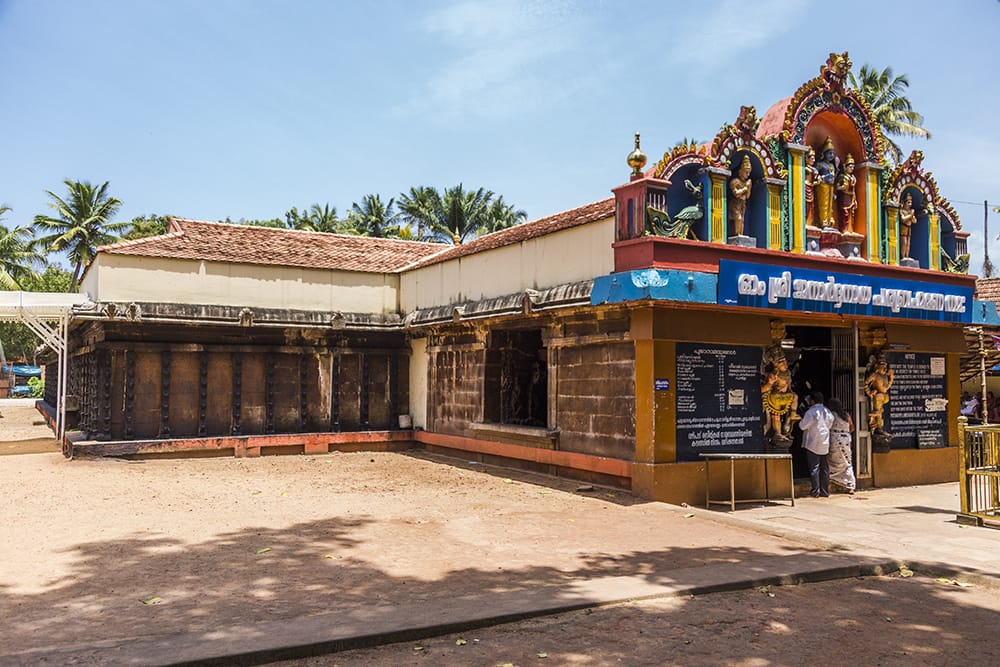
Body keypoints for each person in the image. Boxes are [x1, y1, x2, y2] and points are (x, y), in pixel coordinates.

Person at [799, 391, 834, 498]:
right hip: (824, 443)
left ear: (812, 401)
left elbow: (803, 426)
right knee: (824, 468)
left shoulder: (811, 412)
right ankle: (825, 491)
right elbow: (830, 424)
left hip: (813, 443)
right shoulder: (828, 412)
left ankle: (815, 491)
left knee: (814, 468)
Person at [826, 397, 856, 494]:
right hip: (846, 439)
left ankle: (832, 478)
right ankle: (850, 484)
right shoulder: (846, 415)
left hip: (835, 438)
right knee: (847, 461)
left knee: (833, 459)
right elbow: (852, 428)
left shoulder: (831, 415)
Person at [864, 354, 894, 434]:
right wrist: (869, 392)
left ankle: (879, 427)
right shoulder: (874, 375)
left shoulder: (885, 376)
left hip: (884, 395)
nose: (884, 368)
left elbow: (887, 386)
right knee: (877, 412)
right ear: (877, 366)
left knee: (880, 413)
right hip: (877, 395)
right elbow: (865, 383)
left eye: (885, 366)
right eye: (882, 365)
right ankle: (876, 427)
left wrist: (891, 378)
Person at [814, 136, 839, 229]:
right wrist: (822, 177)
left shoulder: (832, 165)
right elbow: (814, 175)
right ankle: (823, 223)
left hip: (831, 186)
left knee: (830, 206)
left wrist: (837, 166)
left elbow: (834, 177)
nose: (831, 155)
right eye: (829, 153)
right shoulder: (819, 164)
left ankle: (829, 222)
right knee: (823, 205)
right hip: (822, 186)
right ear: (824, 154)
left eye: (832, 153)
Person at [728, 154, 752, 237]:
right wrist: (745, 188)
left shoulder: (746, 183)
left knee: (742, 220)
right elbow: (736, 194)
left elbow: (748, 196)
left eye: (749, 172)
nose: (748, 174)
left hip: (742, 203)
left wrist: (749, 188)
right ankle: (736, 234)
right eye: (746, 172)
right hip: (735, 203)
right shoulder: (735, 181)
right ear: (740, 171)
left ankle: (740, 234)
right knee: (738, 219)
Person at [835, 153, 858, 232]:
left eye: (853, 167)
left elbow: (854, 190)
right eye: (850, 167)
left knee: (852, 214)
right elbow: (837, 187)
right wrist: (843, 187)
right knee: (845, 214)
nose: (852, 169)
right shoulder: (842, 176)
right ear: (845, 167)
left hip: (851, 197)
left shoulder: (853, 178)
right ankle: (844, 229)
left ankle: (850, 229)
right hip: (844, 198)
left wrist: (855, 200)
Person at [899, 192, 916, 259]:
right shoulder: (902, 211)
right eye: (908, 202)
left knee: (908, 243)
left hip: (909, 228)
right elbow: (903, 219)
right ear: (904, 203)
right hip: (903, 227)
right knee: (904, 243)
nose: (910, 204)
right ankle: (903, 257)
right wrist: (910, 215)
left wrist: (912, 217)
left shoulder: (910, 211)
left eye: (911, 203)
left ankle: (907, 256)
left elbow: (914, 221)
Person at [804, 148, 818, 227]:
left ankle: (810, 222)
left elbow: (814, 181)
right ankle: (805, 221)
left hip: (811, 187)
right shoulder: (806, 169)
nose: (813, 160)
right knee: (807, 205)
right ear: (807, 158)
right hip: (806, 187)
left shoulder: (813, 169)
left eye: (814, 158)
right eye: (811, 158)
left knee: (812, 206)